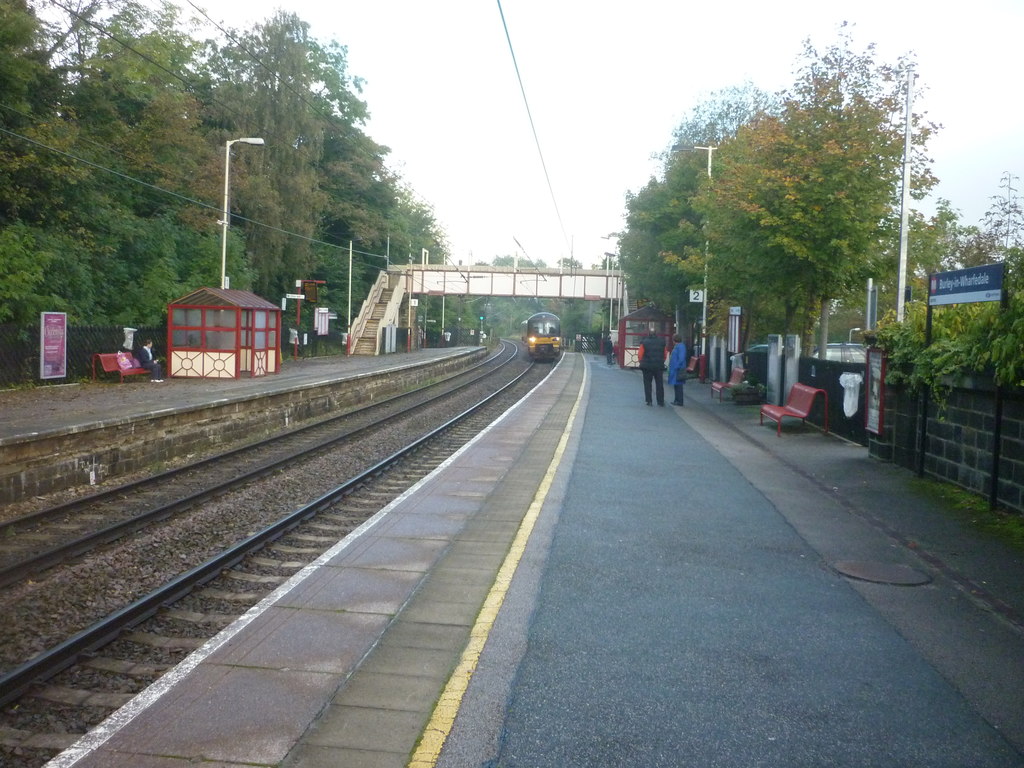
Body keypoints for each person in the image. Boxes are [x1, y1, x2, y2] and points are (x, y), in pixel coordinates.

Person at [637, 328, 667, 406]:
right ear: (656, 333)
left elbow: (640, 354)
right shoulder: (662, 342)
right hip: (658, 366)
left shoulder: (644, 342)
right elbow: (665, 354)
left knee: (647, 383)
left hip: (647, 366)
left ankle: (649, 401)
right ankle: (660, 401)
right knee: (659, 384)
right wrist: (662, 361)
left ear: (649, 334)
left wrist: (642, 361)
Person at [667, 334, 688, 406]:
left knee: (678, 385)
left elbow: (681, 358)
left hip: (678, 369)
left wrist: (676, 366)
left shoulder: (680, 347)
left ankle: (679, 401)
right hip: (676, 368)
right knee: (676, 385)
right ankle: (676, 400)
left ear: (674, 340)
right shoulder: (678, 346)